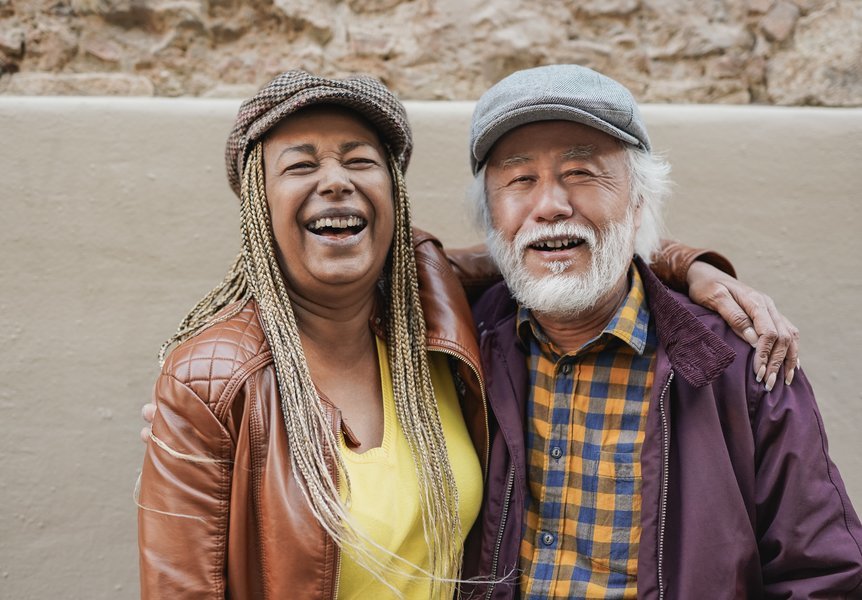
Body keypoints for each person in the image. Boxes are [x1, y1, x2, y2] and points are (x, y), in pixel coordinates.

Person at [137, 70, 800, 599]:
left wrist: (691, 268)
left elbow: (546, 247)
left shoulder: (431, 307)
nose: (335, 182)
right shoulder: (216, 377)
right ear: (259, 202)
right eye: (300, 165)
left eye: (360, 161)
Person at [459, 64, 862, 599]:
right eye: (519, 179)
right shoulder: (457, 343)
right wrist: (691, 263)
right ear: (491, 214)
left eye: (582, 172)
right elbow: (371, 252)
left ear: (639, 200)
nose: (551, 205)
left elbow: (824, 576)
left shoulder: (738, 364)